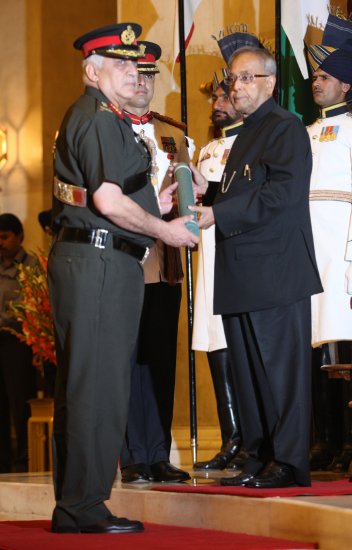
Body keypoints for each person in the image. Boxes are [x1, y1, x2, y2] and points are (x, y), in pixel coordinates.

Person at [48, 23, 198, 535]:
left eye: (136, 65)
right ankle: (83, 506)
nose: (133, 73)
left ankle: (76, 503)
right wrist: (167, 233)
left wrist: (165, 204)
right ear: (93, 71)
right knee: (97, 389)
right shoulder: (97, 118)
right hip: (99, 262)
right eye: (121, 65)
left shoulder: (103, 118)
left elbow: (126, 201)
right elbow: (107, 201)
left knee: (88, 385)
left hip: (100, 259)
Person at [191, 46, 322, 488]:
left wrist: (218, 215)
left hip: (274, 273)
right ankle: (260, 454)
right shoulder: (248, 132)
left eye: (245, 78)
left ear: (268, 82)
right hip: (243, 273)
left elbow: (280, 196)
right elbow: (244, 189)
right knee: (248, 374)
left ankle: (288, 462)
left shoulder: (284, 128)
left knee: (279, 373)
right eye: (233, 79)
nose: (236, 87)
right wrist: (207, 192)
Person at [306, 15, 352, 472]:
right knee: (316, 349)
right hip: (309, 251)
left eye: (324, 76)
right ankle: (324, 436)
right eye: (315, 76)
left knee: (345, 347)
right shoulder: (305, 132)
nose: (316, 82)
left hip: (343, 252)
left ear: (346, 85)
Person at [120, 41, 193, 484]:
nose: (143, 84)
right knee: (127, 359)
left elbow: (187, 195)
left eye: (150, 76)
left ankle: (158, 452)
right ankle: (132, 456)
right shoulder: (106, 130)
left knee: (161, 360)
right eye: (136, 75)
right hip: (126, 258)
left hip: (166, 263)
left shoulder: (174, 134)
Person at [192, 78, 246, 470]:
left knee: (242, 347)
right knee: (216, 344)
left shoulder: (252, 142)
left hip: (239, 255)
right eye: (214, 97)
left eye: (223, 95)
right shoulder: (207, 150)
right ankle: (231, 437)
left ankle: (252, 439)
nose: (217, 102)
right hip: (207, 259)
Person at [0, 213, 37, 473]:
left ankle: (23, 459)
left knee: (19, 401)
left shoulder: (31, 266)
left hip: (17, 342)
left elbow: (34, 305)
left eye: (5, 237)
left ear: (19, 236)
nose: (0, 243)